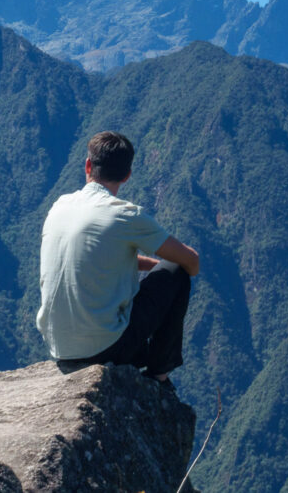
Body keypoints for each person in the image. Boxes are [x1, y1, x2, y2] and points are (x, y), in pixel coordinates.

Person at [36, 131, 199, 387]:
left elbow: (99, 258)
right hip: (103, 349)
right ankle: (159, 375)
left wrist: (155, 267)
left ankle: (138, 356)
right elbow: (191, 261)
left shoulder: (60, 206)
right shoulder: (125, 216)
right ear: (127, 175)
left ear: (88, 165)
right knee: (177, 272)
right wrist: (166, 268)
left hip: (58, 346)